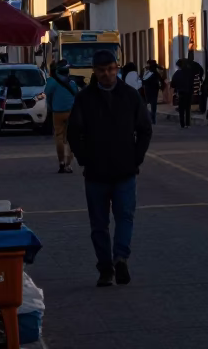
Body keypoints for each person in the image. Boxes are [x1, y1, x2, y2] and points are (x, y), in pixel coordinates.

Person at [67, 49, 152, 287]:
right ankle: (105, 268)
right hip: (96, 173)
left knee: (125, 217)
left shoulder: (130, 95)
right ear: (95, 71)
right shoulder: (85, 98)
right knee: (99, 224)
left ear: (118, 68)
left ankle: (121, 258)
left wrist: (136, 158)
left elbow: (145, 129)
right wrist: (84, 159)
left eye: (111, 69)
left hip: (125, 170)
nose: (107, 74)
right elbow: (74, 131)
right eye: (102, 70)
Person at [45, 60, 79, 173]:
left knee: (59, 136)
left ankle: (61, 162)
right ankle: (68, 164)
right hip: (71, 112)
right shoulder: (72, 83)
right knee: (71, 138)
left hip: (57, 112)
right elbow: (77, 96)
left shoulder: (52, 81)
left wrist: (50, 105)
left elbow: (47, 94)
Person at [171, 59, 195, 128]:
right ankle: (188, 123)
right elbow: (192, 82)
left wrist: (177, 87)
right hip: (189, 92)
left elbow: (173, 84)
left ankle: (182, 124)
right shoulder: (189, 72)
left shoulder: (177, 73)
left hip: (181, 93)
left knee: (181, 109)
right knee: (188, 108)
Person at [140, 59, 165, 124]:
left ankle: (149, 117)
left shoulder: (148, 72)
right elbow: (161, 80)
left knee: (147, 103)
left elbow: (143, 80)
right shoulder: (154, 73)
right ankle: (152, 118)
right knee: (153, 105)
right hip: (153, 90)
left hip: (148, 90)